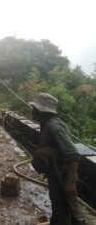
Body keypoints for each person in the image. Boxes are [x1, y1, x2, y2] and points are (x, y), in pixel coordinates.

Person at [29, 93, 86, 225]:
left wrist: (70, 182)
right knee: (59, 207)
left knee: (73, 212)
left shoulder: (54, 127)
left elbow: (73, 153)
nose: (32, 111)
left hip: (63, 176)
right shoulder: (47, 124)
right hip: (55, 173)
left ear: (42, 111)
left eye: (35, 109)